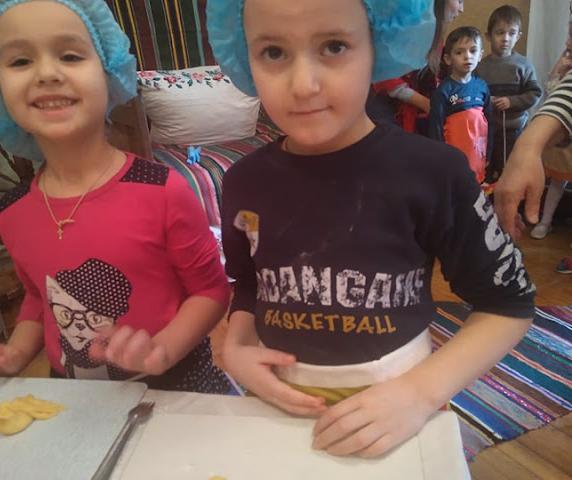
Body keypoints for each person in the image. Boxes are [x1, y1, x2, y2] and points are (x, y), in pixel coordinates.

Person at [208, 0, 535, 459]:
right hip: (275, 406)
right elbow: (249, 283)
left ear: (378, 43)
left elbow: (509, 303)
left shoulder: (433, 172)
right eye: (274, 52)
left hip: (399, 407)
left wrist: (418, 394)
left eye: (334, 46)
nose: (303, 84)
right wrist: (238, 347)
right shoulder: (243, 181)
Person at [0, 0, 236, 394]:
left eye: (70, 56)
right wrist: (12, 355)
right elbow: (38, 296)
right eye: (21, 61)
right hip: (77, 396)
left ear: (110, 72)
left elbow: (210, 291)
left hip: (176, 386)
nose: (47, 73)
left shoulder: (162, 190)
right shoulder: (12, 210)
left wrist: (161, 351)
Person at [367, 0, 465, 134]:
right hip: (384, 113)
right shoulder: (403, 27)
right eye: (459, 1)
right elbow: (385, 79)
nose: (461, 9)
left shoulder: (437, 38)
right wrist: (424, 103)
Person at [475, 5, 542, 184]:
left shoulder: (523, 64)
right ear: (488, 36)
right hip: (486, 132)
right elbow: (474, 95)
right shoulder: (480, 67)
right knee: (486, 173)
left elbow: (535, 93)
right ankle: (487, 200)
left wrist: (512, 102)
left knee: (511, 173)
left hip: (514, 131)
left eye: (511, 33)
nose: (506, 38)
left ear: (518, 36)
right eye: (500, 33)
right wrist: (486, 101)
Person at [429, 26, 492, 184]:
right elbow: (435, 128)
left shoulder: (482, 87)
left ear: (480, 55)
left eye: (473, 51)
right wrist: (439, 158)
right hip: (452, 159)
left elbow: (490, 122)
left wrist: (489, 153)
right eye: (459, 52)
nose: (467, 56)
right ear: (448, 59)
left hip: (477, 157)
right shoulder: (443, 90)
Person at [529, 17, 572, 242]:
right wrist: (557, 71)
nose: (568, 42)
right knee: (557, 181)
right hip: (564, 141)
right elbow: (551, 96)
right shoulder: (567, 66)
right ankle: (545, 221)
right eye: (569, 35)